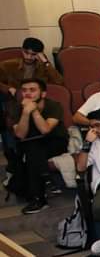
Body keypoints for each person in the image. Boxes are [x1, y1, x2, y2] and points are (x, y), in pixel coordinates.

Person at [7, 78, 68, 214]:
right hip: (31, 144)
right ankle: (44, 181)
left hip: (55, 141)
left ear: (43, 94)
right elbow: (20, 135)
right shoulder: (16, 108)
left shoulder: (53, 105)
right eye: (24, 90)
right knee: (32, 150)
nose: (27, 93)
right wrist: (25, 113)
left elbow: (45, 130)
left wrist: (34, 111)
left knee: (33, 151)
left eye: (32, 90)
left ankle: (39, 198)